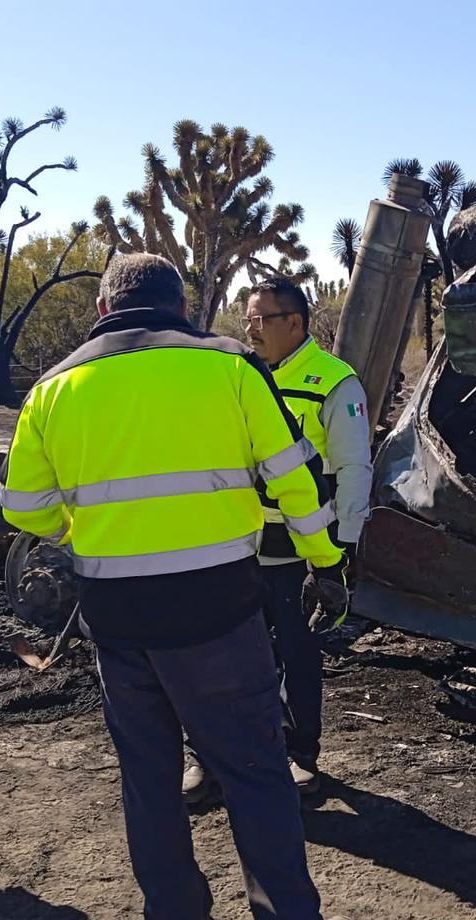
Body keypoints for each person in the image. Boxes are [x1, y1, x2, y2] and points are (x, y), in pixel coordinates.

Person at [0, 253, 362, 920]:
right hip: (219, 614)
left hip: (119, 622)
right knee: (257, 777)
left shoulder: (54, 387)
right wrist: (324, 561)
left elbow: (24, 508)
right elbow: (296, 479)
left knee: (150, 784)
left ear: (104, 311)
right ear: (181, 308)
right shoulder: (229, 368)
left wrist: (88, 533)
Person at [183, 279, 371, 803]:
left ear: (296, 322)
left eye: (263, 318)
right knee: (222, 654)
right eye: (247, 318)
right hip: (237, 544)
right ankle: (211, 759)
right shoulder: (239, 377)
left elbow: (354, 466)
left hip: (298, 547)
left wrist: (346, 543)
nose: (251, 329)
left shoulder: (334, 382)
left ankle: (299, 754)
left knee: (295, 648)